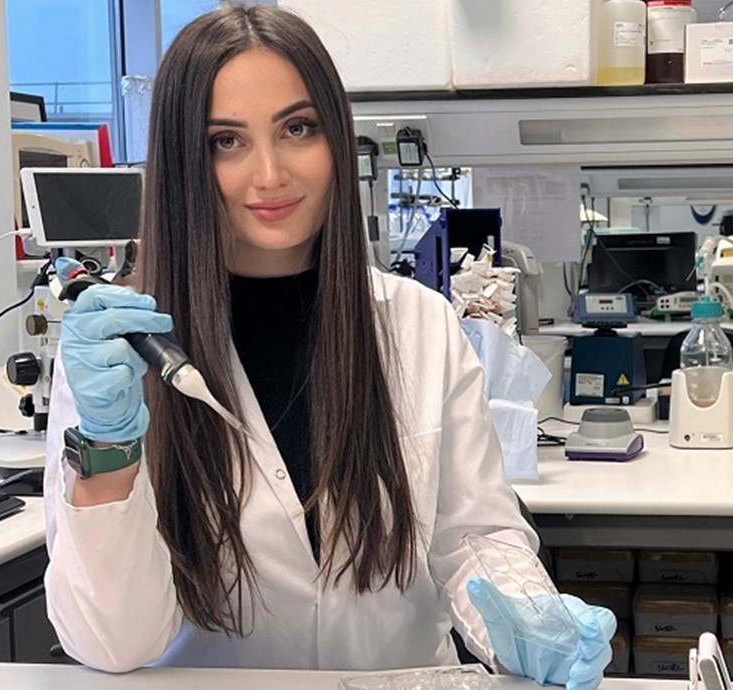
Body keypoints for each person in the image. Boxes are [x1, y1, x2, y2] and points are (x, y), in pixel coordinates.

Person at [41, 6, 614, 689]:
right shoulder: (128, 351)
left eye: (297, 128)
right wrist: (109, 454)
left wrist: (525, 617)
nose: (271, 173)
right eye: (226, 141)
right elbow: (113, 643)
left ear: (336, 138)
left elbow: (473, 536)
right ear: (182, 161)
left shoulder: (419, 325)